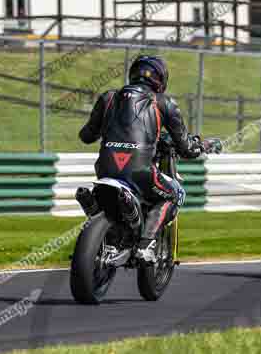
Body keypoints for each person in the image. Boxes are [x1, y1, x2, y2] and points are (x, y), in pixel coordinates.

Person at [79, 55, 208, 264]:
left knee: (99, 197)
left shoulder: (109, 97)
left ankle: (106, 226)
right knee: (175, 194)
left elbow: (86, 136)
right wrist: (203, 145)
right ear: (160, 79)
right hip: (140, 170)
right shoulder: (164, 102)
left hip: (106, 169)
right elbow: (187, 149)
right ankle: (145, 245)